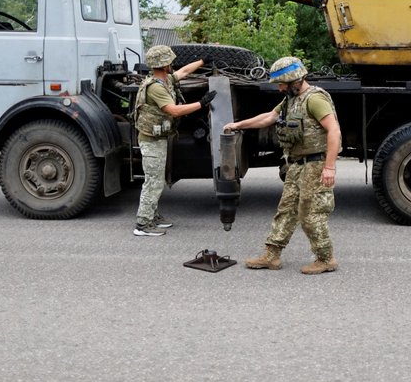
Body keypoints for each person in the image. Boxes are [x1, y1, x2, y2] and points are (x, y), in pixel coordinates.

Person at [223, 56, 341, 274]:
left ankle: (325, 259)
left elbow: (334, 130)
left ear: (295, 80)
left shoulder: (314, 99)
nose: (279, 88)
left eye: (282, 84)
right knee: (286, 210)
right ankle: (272, 255)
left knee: (310, 214)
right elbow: (269, 117)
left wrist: (330, 167)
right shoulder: (290, 99)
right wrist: (238, 125)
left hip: (315, 164)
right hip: (296, 164)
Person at [132, 45, 215, 236]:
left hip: (158, 138)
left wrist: (203, 61)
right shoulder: (155, 88)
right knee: (153, 181)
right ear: (165, 64)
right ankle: (143, 224)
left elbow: (184, 71)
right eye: (170, 61)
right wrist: (201, 103)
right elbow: (174, 110)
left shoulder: (165, 79)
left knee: (157, 180)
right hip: (151, 141)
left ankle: (152, 216)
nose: (173, 64)